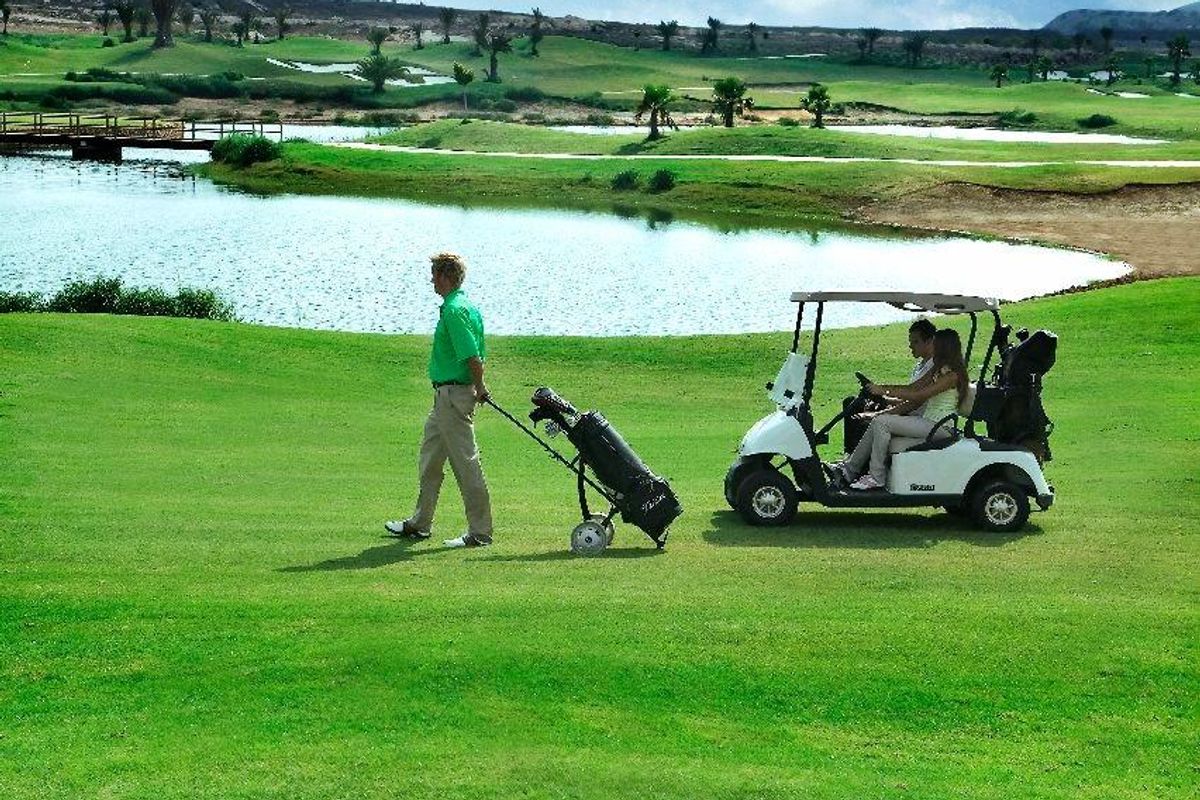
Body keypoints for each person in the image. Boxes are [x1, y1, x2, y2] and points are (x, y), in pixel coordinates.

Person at [386, 252, 494, 548]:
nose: (431, 280)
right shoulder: (463, 305)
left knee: (466, 464)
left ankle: (480, 532)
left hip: (453, 397)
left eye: (434, 274)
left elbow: (472, 355)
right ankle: (420, 524)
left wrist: (480, 386)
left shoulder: (455, 310)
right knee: (430, 461)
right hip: (443, 397)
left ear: (445, 277)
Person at [840, 328, 969, 491]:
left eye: (935, 344)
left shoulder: (952, 376)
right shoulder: (936, 370)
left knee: (882, 422)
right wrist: (882, 396)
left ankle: (876, 477)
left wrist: (883, 390)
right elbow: (913, 388)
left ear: (944, 347)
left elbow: (919, 395)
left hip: (941, 427)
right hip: (928, 422)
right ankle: (848, 470)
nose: (932, 347)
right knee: (877, 422)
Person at [842, 318, 937, 454]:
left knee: (869, 420)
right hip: (909, 411)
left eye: (915, 342)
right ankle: (849, 456)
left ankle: (858, 467)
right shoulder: (919, 366)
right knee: (852, 403)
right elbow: (909, 398)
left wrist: (878, 411)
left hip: (918, 417)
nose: (911, 346)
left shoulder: (934, 367)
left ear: (929, 341)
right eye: (910, 342)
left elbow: (915, 401)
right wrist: (883, 399)